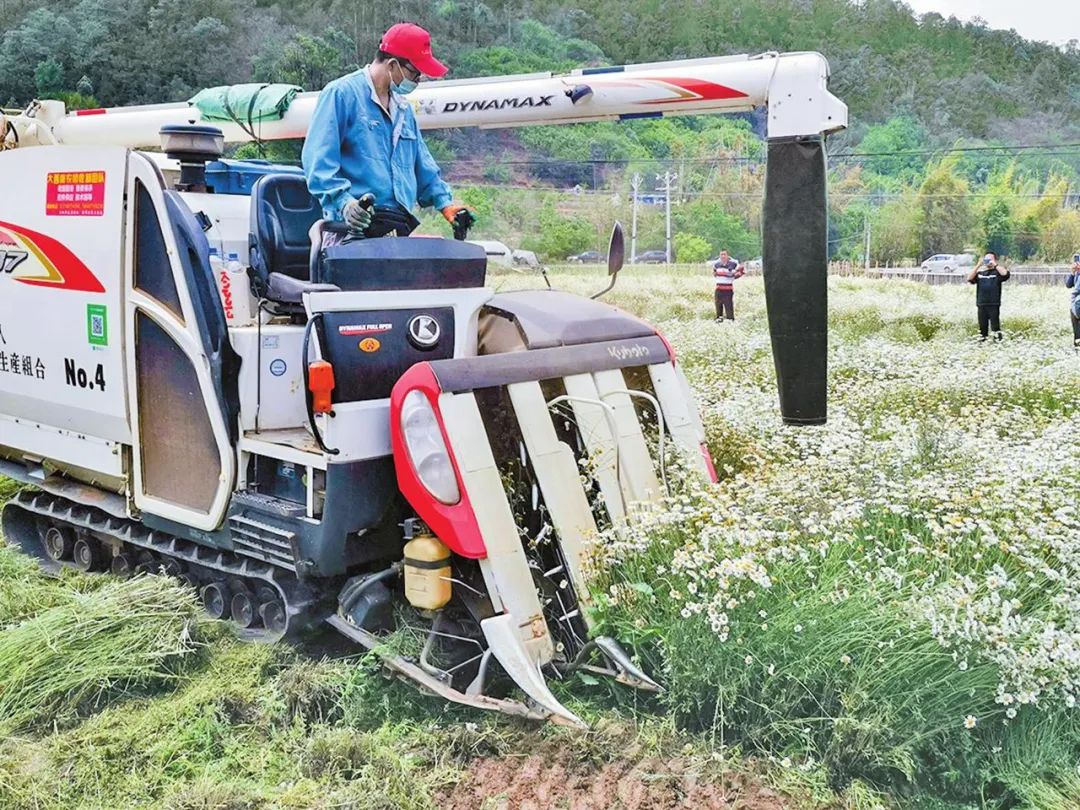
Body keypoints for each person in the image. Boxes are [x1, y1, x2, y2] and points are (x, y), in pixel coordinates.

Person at [302, 23, 471, 243]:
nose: (418, 80)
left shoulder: (403, 110)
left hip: (395, 228)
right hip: (350, 230)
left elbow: (423, 166)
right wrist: (345, 203)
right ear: (392, 64)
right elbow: (318, 162)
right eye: (415, 73)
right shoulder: (342, 95)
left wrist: (446, 204)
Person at [966, 252, 1010, 342]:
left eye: (990, 259)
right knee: (982, 328)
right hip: (981, 304)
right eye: (987, 259)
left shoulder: (997, 273)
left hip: (993, 304)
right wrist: (979, 264)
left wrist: (995, 264)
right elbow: (969, 278)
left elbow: (1005, 274)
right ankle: (982, 344)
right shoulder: (980, 273)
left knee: (995, 327)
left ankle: (997, 343)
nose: (988, 261)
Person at [712, 250, 745, 322]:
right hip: (718, 289)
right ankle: (719, 321)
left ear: (728, 256)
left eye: (724, 254)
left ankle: (730, 322)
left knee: (728, 307)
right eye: (721, 255)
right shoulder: (716, 264)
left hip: (728, 290)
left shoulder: (733, 264)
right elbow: (714, 272)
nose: (723, 256)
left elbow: (741, 271)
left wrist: (734, 276)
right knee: (718, 306)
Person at [1066, 252, 1080, 347]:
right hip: (1075, 305)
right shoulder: (1076, 273)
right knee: (1077, 336)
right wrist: (1072, 272)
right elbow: (1068, 285)